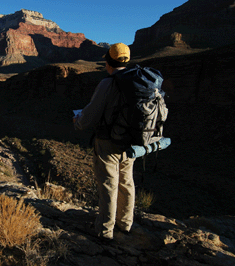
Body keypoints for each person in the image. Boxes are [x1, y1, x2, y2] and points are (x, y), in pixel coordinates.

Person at [74, 43, 135, 241]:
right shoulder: (137, 79)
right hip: (132, 141)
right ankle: (125, 224)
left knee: (109, 185)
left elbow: (89, 116)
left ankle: (104, 232)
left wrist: (77, 120)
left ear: (108, 61)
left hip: (108, 142)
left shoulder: (108, 83)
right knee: (126, 182)